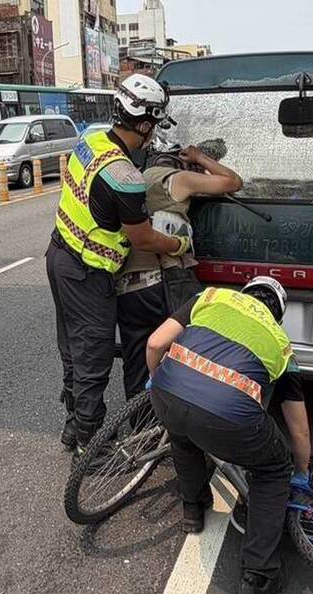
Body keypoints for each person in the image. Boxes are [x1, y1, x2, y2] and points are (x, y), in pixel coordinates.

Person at [147, 277, 312, 594]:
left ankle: (193, 509)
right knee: (273, 471)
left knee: (182, 434)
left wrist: (159, 382)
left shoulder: (211, 297)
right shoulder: (281, 344)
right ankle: (258, 578)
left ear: (244, 294)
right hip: (228, 418)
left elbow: (155, 342)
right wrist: (301, 472)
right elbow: (299, 430)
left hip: (167, 393)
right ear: (277, 315)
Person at [46, 74, 188, 452]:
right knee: (93, 358)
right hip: (87, 271)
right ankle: (91, 447)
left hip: (59, 254)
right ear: (144, 125)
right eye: (153, 124)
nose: (153, 133)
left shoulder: (90, 141)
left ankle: (74, 427)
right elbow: (143, 238)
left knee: (73, 350)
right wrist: (177, 243)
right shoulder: (124, 176)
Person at [116, 140, 243, 401]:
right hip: (165, 283)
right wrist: (200, 157)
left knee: (135, 360)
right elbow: (233, 181)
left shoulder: (132, 181)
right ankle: (173, 416)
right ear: (179, 162)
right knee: (182, 354)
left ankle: (137, 419)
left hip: (129, 287)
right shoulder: (178, 179)